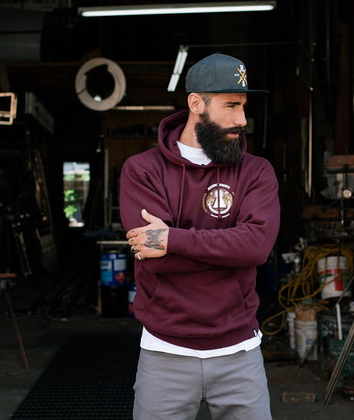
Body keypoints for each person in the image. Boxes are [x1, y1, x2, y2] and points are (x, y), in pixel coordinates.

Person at [119, 52, 281, 419]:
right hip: (165, 352)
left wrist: (172, 240)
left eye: (243, 106)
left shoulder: (256, 171)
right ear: (196, 104)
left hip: (240, 351)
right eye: (231, 106)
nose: (242, 120)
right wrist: (228, 249)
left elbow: (256, 248)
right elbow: (153, 261)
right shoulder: (142, 170)